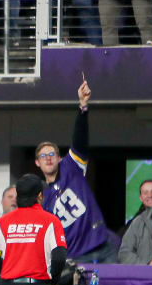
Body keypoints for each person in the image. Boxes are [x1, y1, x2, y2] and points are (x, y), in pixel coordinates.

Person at [36, 80, 114, 263]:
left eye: (52, 154)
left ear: (59, 158)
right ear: (37, 163)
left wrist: (83, 107)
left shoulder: (70, 166)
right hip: (76, 256)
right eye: (43, 156)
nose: (48, 158)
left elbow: (79, 139)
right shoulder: (40, 197)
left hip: (103, 245)